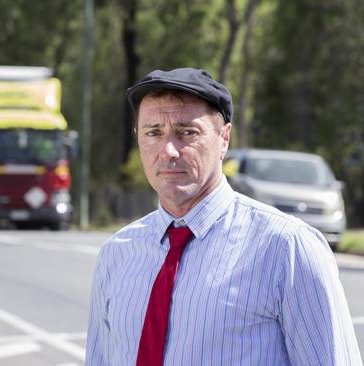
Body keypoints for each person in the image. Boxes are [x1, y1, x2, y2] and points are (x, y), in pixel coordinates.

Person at [85, 67, 362, 366]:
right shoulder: (116, 254)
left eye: (186, 132)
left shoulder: (287, 248)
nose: (169, 150)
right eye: (153, 132)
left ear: (224, 138)